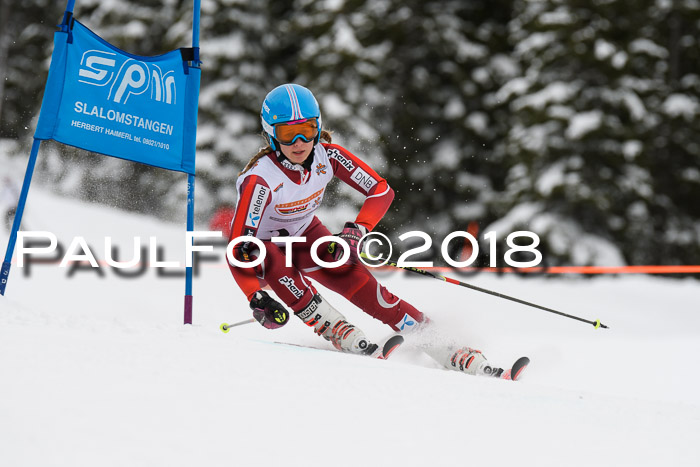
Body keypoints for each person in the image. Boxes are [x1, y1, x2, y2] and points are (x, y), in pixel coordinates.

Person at [227, 83, 499, 376]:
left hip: (306, 238)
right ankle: (335, 327)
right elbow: (239, 246)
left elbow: (381, 190)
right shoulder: (261, 179)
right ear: (270, 134)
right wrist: (256, 295)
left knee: (371, 292)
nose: (298, 141)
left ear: (318, 127)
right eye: (286, 133)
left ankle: (450, 350)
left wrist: (358, 229)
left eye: (306, 129)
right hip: (262, 251)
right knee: (270, 256)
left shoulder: (327, 157)